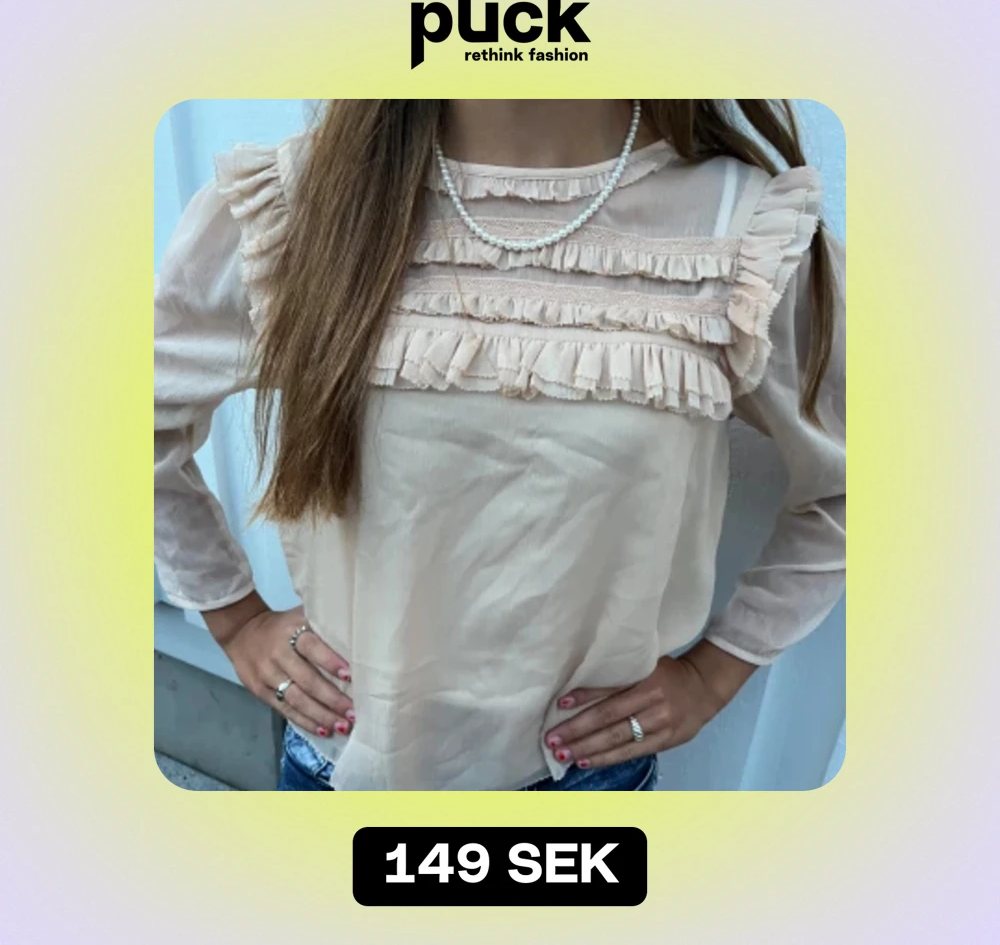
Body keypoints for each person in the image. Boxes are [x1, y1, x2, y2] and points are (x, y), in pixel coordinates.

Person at [154, 99, 845, 792]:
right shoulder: (304, 204)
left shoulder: (739, 233)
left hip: (584, 784)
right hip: (342, 765)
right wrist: (235, 621)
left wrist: (714, 674)